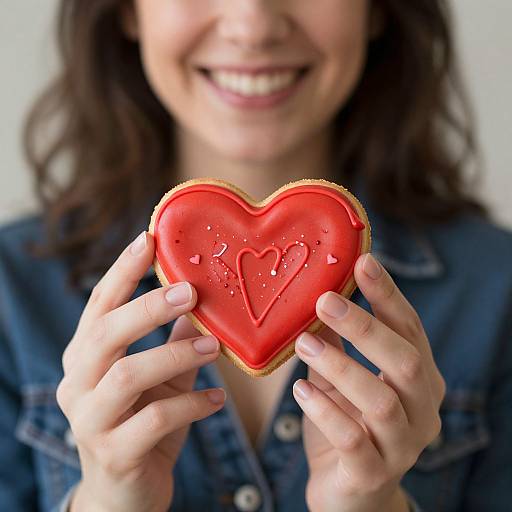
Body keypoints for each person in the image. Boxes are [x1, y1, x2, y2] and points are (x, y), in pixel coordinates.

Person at [1, 1, 511, 511]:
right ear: (128, 12)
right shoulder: (11, 291)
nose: (253, 27)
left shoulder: (497, 288)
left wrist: (372, 505)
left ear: (376, 10)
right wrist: (106, 501)